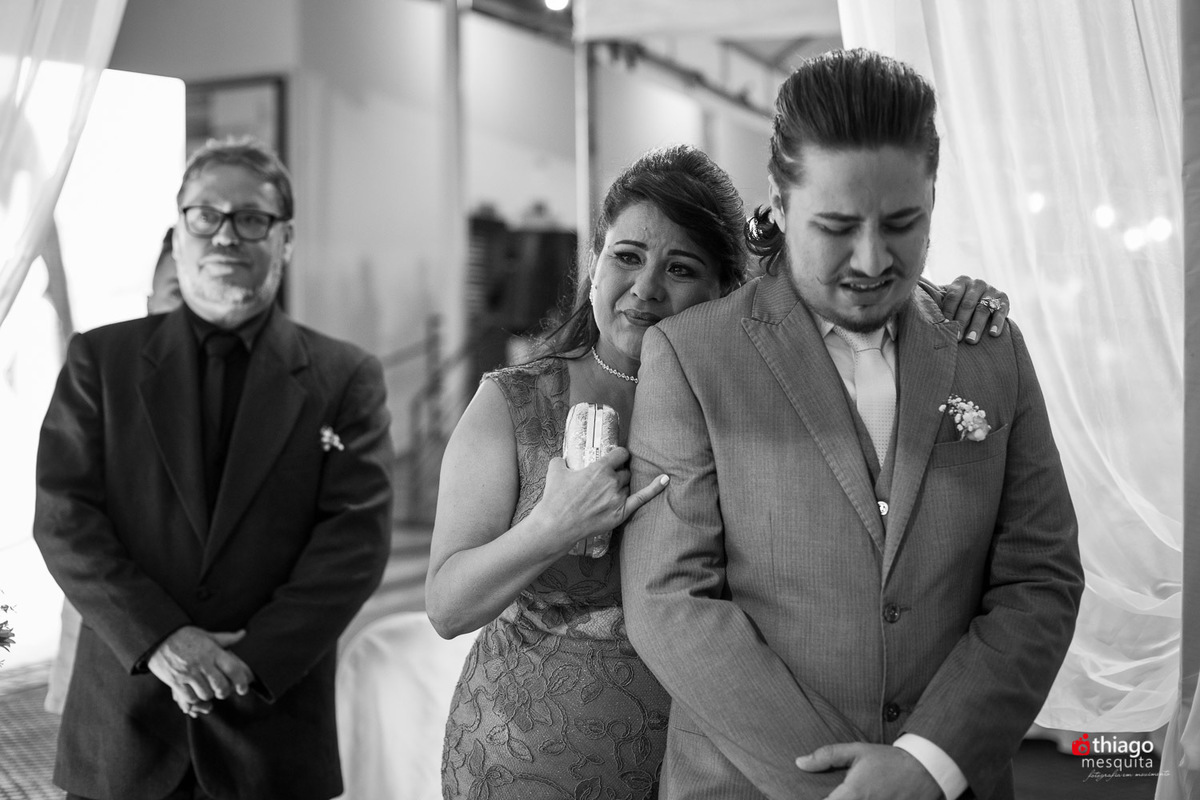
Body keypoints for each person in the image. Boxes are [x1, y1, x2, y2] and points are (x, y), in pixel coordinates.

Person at [426, 144, 1012, 799]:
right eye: (626, 257)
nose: (646, 289)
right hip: (534, 757)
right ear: (594, 262)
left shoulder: (744, 399)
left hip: (717, 762)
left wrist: (950, 299)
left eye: (680, 268)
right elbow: (448, 606)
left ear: (723, 291)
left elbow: (836, 284)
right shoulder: (515, 402)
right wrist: (552, 526)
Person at [621, 48, 1084, 800]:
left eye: (903, 223)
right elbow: (669, 598)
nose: (871, 260)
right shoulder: (694, 354)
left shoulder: (992, 351)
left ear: (934, 195)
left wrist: (929, 763)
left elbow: (1041, 576)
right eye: (836, 226)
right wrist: (844, 789)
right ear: (779, 201)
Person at [33, 136, 394, 800]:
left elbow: (354, 544)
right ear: (178, 233)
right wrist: (165, 641)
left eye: (252, 219)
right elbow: (65, 521)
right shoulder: (100, 363)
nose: (226, 235)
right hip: (125, 722)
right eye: (206, 215)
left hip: (270, 722)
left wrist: (244, 664)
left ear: (285, 240)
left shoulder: (345, 377)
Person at [44, 226, 186, 716]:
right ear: (150, 300)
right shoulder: (104, 374)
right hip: (117, 626)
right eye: (175, 293)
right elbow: (66, 517)